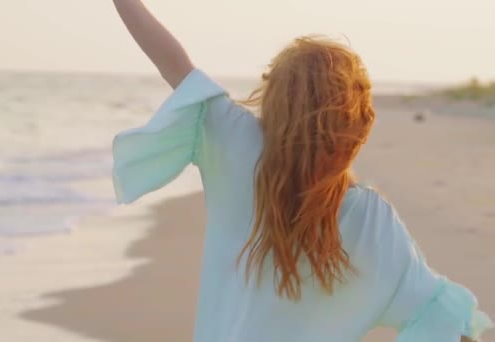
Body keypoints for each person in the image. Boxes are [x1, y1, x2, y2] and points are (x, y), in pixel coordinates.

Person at [110, 1, 493, 341]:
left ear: (275, 99)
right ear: (357, 123)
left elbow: (173, 64)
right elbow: (444, 317)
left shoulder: (236, 145)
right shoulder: (374, 222)